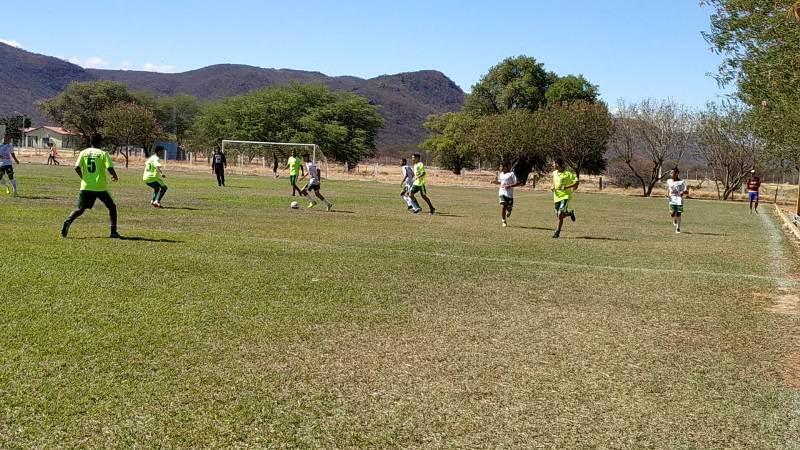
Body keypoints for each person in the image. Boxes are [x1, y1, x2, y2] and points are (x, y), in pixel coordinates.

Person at [61, 135, 121, 239]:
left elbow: (76, 168)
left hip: (86, 186)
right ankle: (113, 232)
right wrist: (114, 175)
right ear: (100, 142)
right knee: (112, 207)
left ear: (90, 141)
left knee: (80, 209)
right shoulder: (103, 154)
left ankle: (69, 220)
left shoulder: (83, 153)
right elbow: (109, 167)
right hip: (100, 187)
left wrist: (83, 178)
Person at [551, 158, 578, 239]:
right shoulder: (554, 173)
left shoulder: (568, 173)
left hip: (565, 197)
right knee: (559, 215)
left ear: (558, 164)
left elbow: (577, 182)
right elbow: (554, 182)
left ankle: (557, 232)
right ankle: (570, 213)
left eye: (553, 163)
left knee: (560, 214)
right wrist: (552, 187)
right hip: (556, 196)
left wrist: (566, 187)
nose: (553, 165)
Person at [493, 162, 520, 227]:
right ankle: (503, 221)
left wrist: (509, 186)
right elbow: (500, 182)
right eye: (500, 166)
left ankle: (509, 211)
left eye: (501, 166)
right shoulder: (501, 174)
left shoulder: (512, 174)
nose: (500, 168)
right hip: (502, 192)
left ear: (505, 167)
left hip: (509, 194)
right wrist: (495, 182)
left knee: (509, 208)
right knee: (503, 206)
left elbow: (518, 183)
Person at [666, 167, 689, 234]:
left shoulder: (682, 182)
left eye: (672, 173)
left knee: (678, 213)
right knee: (672, 213)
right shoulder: (669, 181)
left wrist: (683, 192)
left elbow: (686, 192)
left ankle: (678, 228)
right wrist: (668, 195)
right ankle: (674, 220)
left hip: (679, 200)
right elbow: (668, 189)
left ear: (677, 173)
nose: (671, 174)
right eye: (670, 173)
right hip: (672, 199)